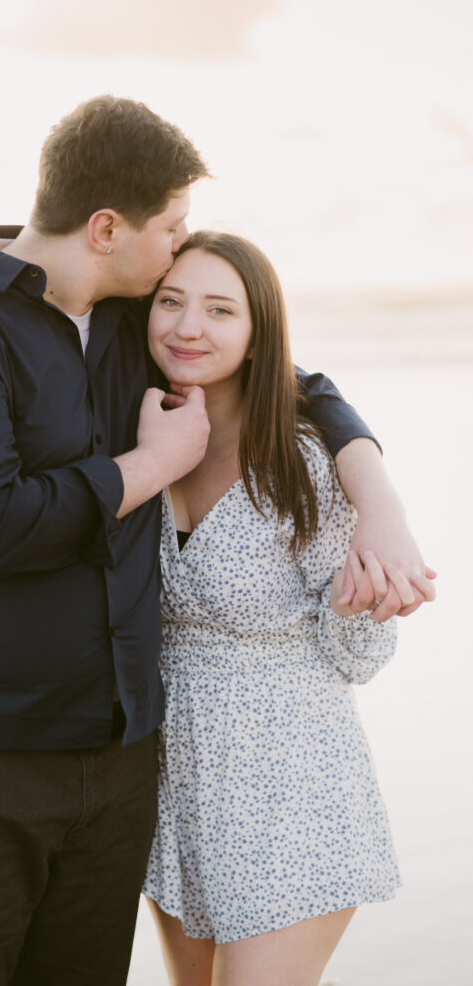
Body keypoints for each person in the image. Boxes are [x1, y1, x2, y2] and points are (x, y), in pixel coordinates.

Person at [0, 96, 433, 986]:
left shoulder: (124, 320)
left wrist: (375, 493)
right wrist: (144, 470)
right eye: (173, 228)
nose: (181, 254)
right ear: (109, 227)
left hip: (117, 776)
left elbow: (283, 371)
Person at [140, 230, 431, 986]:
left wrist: (363, 601)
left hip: (294, 790)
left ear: (256, 331)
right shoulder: (134, 435)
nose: (187, 327)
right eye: (170, 302)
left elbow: (360, 659)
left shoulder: (305, 460)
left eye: (218, 309)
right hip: (175, 787)